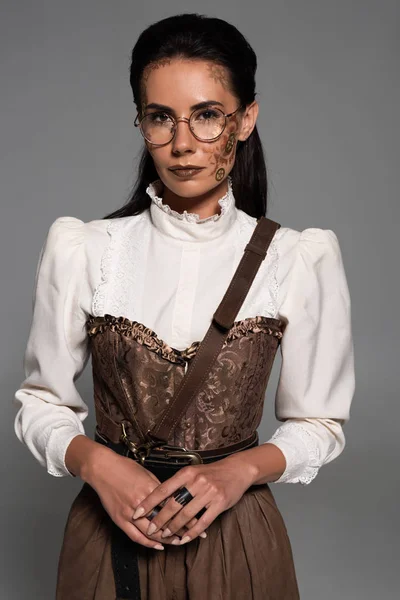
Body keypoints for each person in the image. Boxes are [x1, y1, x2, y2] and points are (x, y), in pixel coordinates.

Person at [13, 13, 355, 600]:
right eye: (160, 118)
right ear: (140, 123)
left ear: (246, 118)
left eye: (206, 115)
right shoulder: (86, 248)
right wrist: (96, 464)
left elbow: (318, 423)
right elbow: (41, 403)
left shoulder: (297, 258)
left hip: (237, 541)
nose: (182, 144)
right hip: (111, 533)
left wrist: (239, 471)